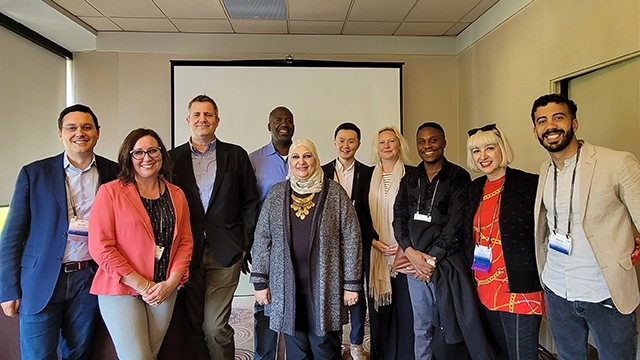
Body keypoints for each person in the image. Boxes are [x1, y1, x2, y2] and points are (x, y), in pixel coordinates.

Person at [0, 104, 119, 360]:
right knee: (37, 356)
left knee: (78, 354)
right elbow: (12, 236)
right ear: (60, 134)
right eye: (72, 127)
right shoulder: (34, 173)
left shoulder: (114, 173)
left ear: (97, 133)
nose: (80, 133)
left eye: (87, 127)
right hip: (40, 279)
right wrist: (8, 289)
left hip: (88, 278)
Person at [531, 94, 640, 360]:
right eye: (542, 121)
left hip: (604, 290)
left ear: (574, 123)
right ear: (535, 131)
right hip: (558, 289)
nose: (551, 126)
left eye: (559, 118)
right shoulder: (545, 168)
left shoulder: (616, 162)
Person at [250, 138, 362, 360]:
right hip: (287, 290)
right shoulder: (276, 194)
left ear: (316, 159)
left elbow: (351, 238)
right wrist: (260, 282)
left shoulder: (335, 193)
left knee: (325, 349)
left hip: (325, 288)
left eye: (307, 156)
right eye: (295, 157)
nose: (301, 162)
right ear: (289, 162)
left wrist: (351, 284)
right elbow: (262, 238)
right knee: (297, 352)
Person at [88, 128, 193, 359]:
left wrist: (171, 282)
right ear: (128, 156)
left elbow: (185, 242)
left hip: (164, 288)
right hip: (122, 288)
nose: (147, 158)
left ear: (162, 154)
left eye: (153, 151)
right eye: (138, 152)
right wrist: (143, 285)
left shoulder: (177, 195)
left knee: (149, 354)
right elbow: (100, 247)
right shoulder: (110, 192)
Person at [170, 94, 260, 360]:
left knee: (215, 326)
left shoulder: (236, 154)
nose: (202, 119)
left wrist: (243, 244)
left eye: (208, 115)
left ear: (217, 121)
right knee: (194, 325)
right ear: (188, 120)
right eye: (197, 115)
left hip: (226, 251)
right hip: (187, 251)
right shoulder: (172, 159)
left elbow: (250, 202)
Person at [393, 122, 492, 360]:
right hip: (414, 264)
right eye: (422, 141)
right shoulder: (410, 177)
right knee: (422, 324)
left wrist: (430, 259)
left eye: (433, 140)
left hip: (445, 263)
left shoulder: (458, 176)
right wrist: (411, 253)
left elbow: (457, 222)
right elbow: (399, 217)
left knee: (448, 323)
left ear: (444, 143)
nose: (428, 146)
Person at [464, 124, 543, 360]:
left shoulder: (529, 184)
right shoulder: (474, 188)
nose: (483, 156)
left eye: (489, 148)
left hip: (520, 285)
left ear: (502, 149)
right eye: (476, 151)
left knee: (522, 354)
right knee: (499, 353)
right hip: (484, 282)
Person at [321, 122, 374, 360]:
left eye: (351, 141)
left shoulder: (369, 172)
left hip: (358, 241)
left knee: (356, 292)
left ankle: (355, 343)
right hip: (329, 245)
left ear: (358, 144)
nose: (346, 145)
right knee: (331, 292)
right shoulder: (321, 172)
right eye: (341, 140)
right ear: (334, 142)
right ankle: (333, 342)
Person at [248, 106, 295, 360]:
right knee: (264, 302)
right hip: (267, 245)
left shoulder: (303, 157)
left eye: (288, 120)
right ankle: (264, 356)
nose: (284, 124)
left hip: (299, 244)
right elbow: (249, 205)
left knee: (296, 303)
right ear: (269, 126)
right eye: (278, 120)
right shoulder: (254, 160)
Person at [368, 125, 415, 360]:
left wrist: (405, 245)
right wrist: (374, 242)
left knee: (407, 311)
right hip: (375, 252)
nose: (387, 146)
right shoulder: (366, 176)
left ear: (400, 145)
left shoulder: (413, 174)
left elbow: (416, 215)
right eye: (382, 142)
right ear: (376, 148)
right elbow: (359, 215)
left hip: (405, 252)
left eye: (391, 141)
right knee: (381, 313)